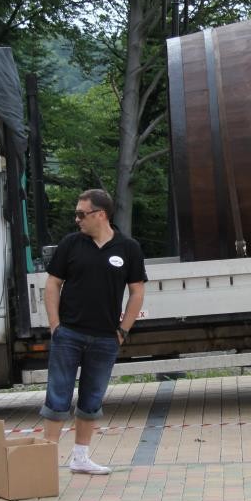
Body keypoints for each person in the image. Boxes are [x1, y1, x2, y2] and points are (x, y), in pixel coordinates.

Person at [41, 189, 146, 475]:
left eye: (81, 214)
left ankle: (80, 458)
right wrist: (55, 326)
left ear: (100, 215)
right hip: (69, 334)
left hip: (105, 338)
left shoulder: (128, 248)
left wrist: (122, 331)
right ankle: (44, 461)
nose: (77, 219)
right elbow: (52, 284)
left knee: (92, 398)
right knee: (57, 396)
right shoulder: (71, 244)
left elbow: (137, 292)